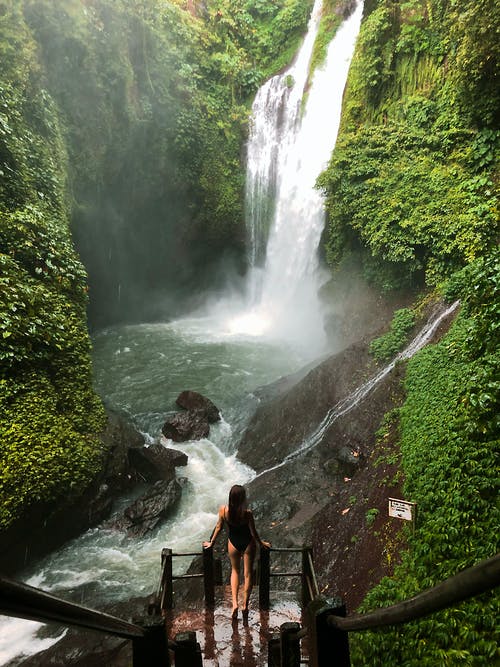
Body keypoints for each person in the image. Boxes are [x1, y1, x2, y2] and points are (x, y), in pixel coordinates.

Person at [203, 484, 271, 618]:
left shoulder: (223, 511)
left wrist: (211, 543)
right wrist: (261, 543)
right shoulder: (247, 514)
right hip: (248, 543)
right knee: (248, 574)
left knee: (235, 571)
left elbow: (218, 527)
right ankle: (245, 604)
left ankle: (234, 604)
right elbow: (253, 532)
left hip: (233, 543)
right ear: (242, 499)